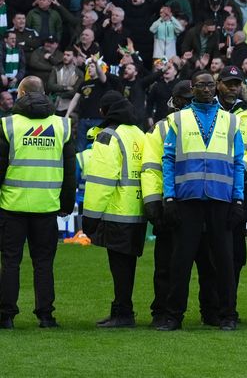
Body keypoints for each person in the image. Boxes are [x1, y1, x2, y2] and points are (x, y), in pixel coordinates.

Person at [157, 72, 245, 331]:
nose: (206, 89)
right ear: (192, 89)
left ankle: (227, 314)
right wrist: (169, 196)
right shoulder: (178, 120)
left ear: (215, 88)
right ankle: (174, 316)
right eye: (200, 85)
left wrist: (238, 199)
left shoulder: (231, 121)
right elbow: (168, 160)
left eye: (209, 85)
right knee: (181, 260)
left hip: (221, 199)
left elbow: (238, 162)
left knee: (225, 261)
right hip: (187, 199)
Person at [142, 80, 219, 328]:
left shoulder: (210, 122)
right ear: (174, 102)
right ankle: (163, 311)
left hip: (200, 202)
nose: (187, 104)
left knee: (207, 265)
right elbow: (152, 167)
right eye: (184, 100)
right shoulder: (163, 129)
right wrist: (156, 202)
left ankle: (209, 312)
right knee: (168, 266)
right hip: (173, 204)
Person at [0, 77, 76, 329]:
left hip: (12, 205)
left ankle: (6, 315)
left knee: (10, 261)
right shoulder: (62, 125)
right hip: (47, 207)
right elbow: (69, 172)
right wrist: (66, 203)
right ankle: (46, 315)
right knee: (43, 263)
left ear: (20, 93)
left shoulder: (8, 125)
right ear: (44, 93)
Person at [81, 90, 147, 328]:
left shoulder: (108, 136)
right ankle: (122, 310)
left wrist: (89, 217)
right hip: (138, 210)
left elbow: (102, 181)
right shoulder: (138, 133)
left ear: (105, 112)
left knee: (118, 267)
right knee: (127, 267)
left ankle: (123, 313)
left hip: (117, 211)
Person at [217, 65, 247, 319]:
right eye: (228, 83)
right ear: (218, 83)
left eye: (237, 83)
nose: (233, 87)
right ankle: (213, 306)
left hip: (238, 186)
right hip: (210, 185)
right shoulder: (206, 110)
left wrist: (242, 168)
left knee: (236, 252)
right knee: (211, 251)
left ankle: (228, 306)